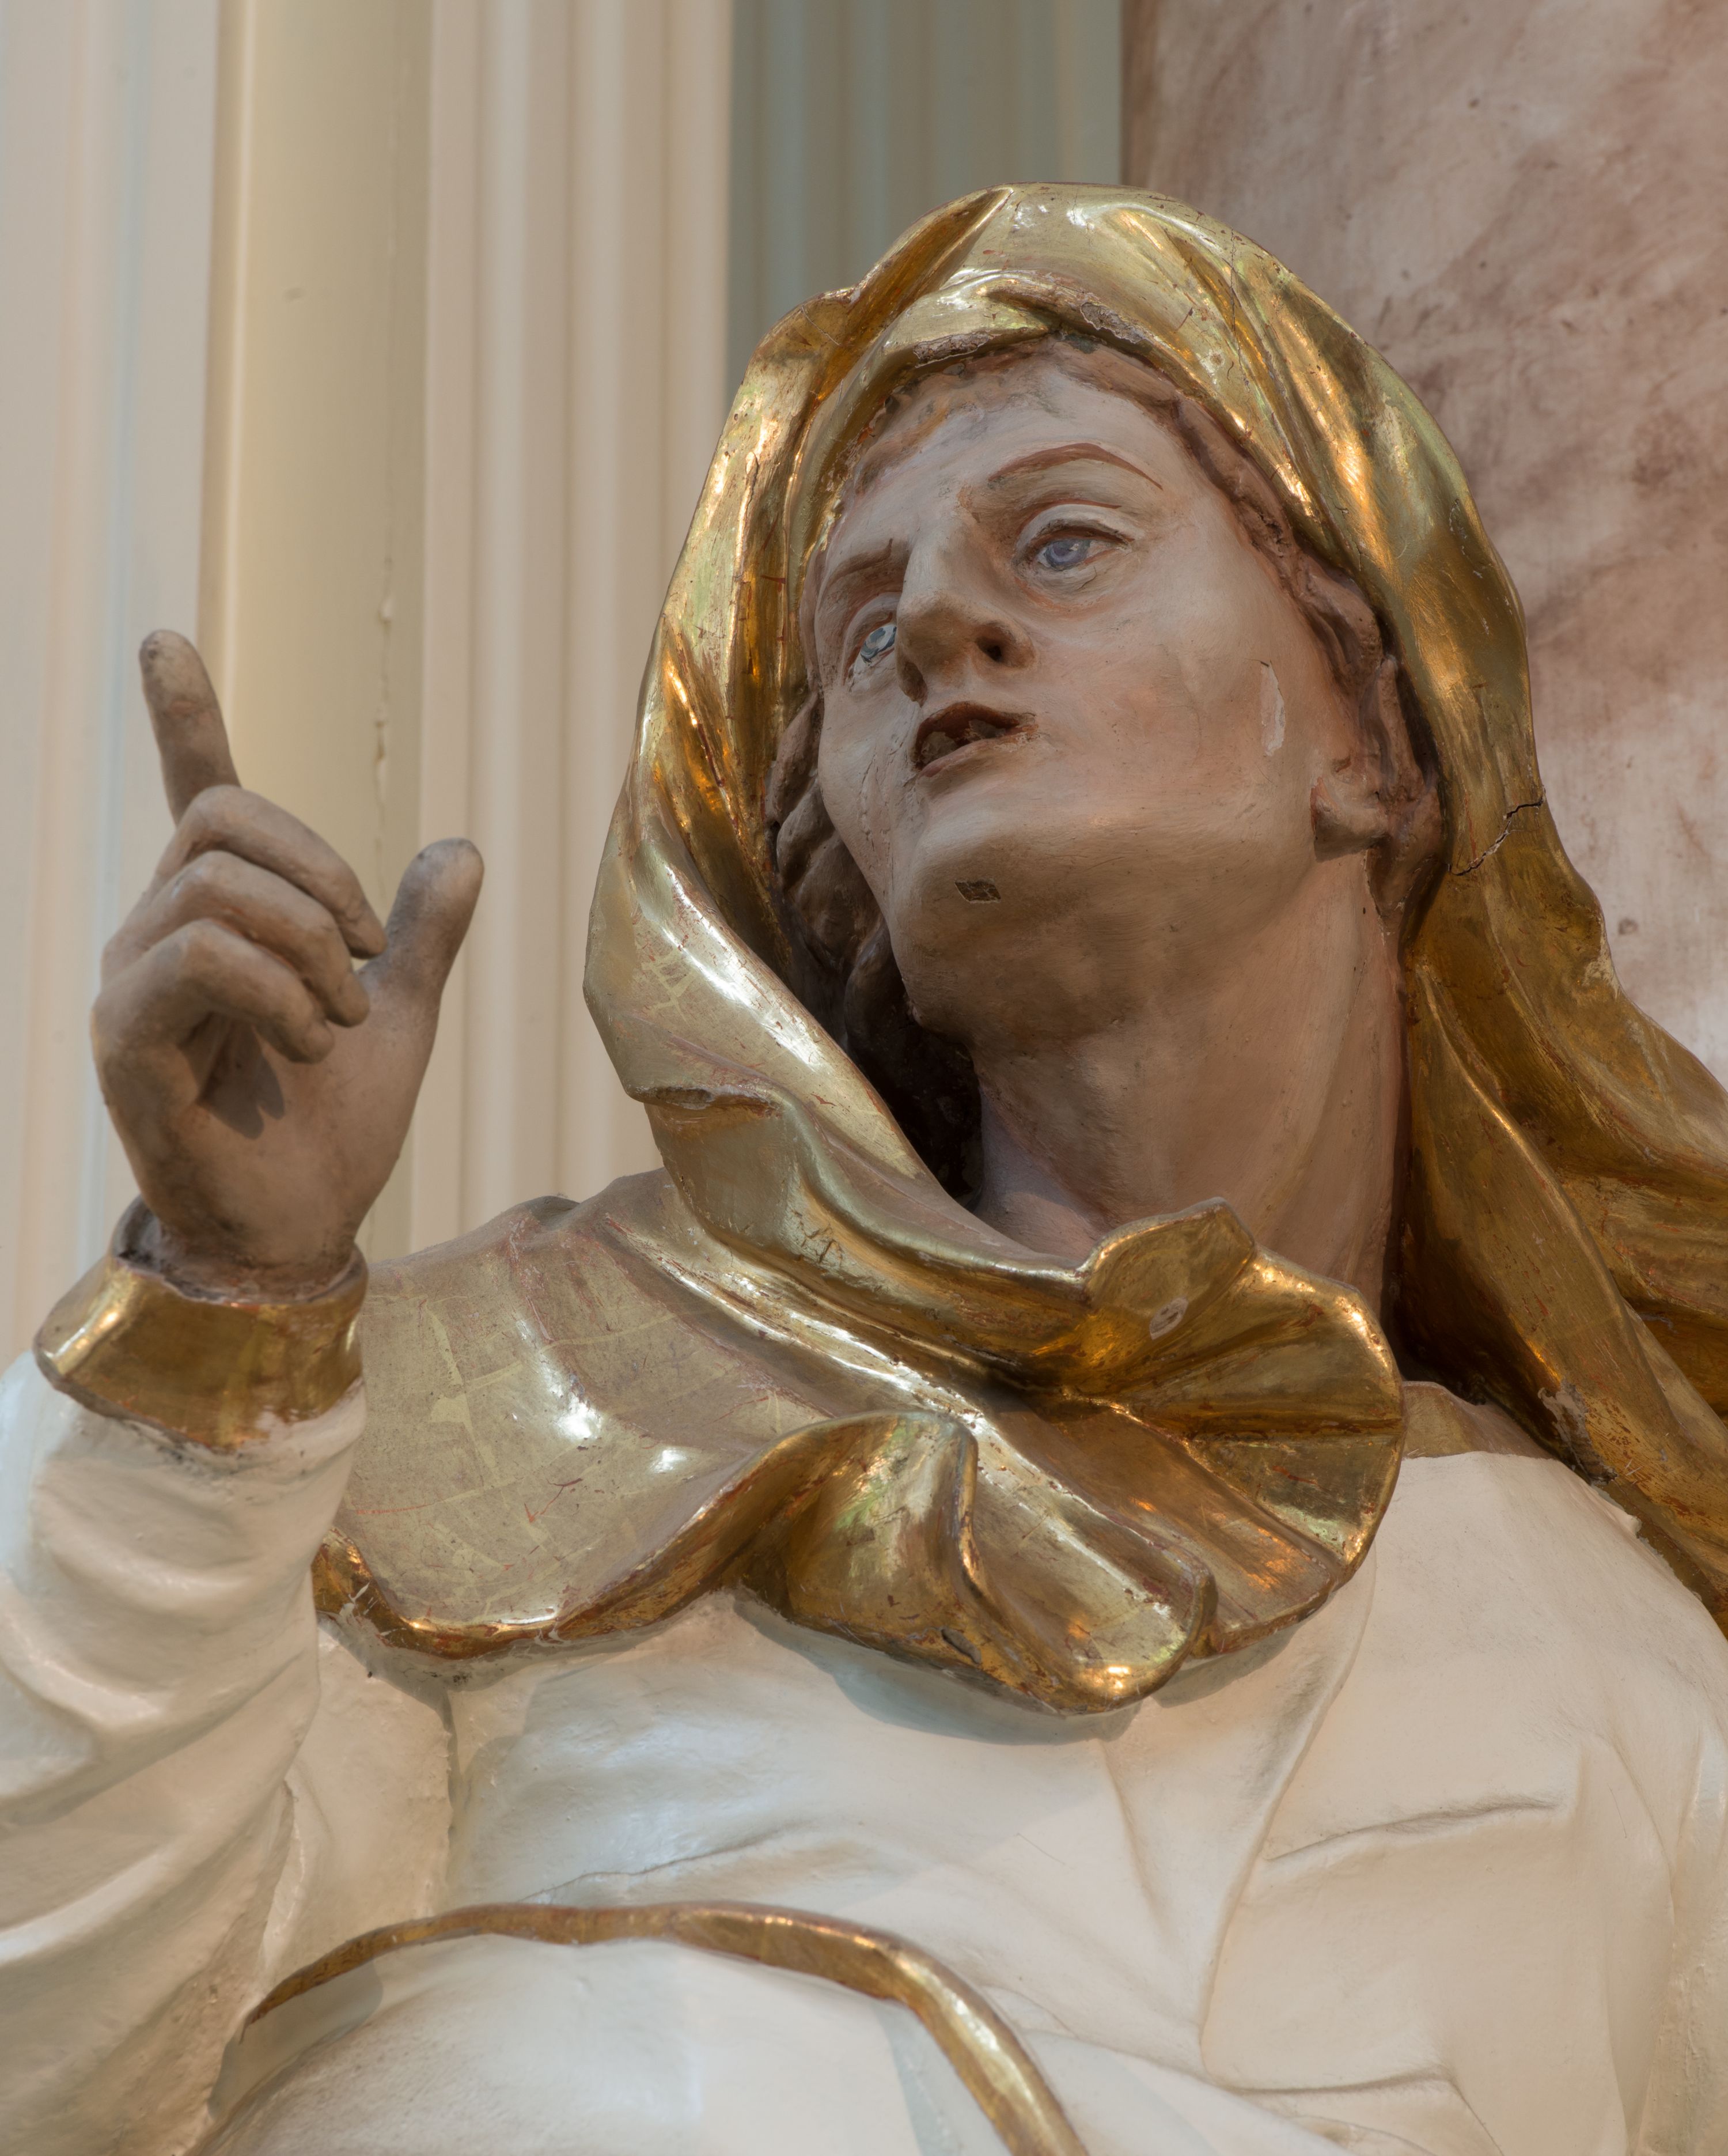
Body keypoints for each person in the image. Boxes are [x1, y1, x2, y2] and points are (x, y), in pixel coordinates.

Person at [7, 186, 1728, 2156]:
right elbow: (57, 2047)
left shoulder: (1618, 1656)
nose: (931, 628)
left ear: (1379, 740)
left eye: (1066, 542)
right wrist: (222, 1318)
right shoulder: (525, 1407)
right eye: (857, 627)